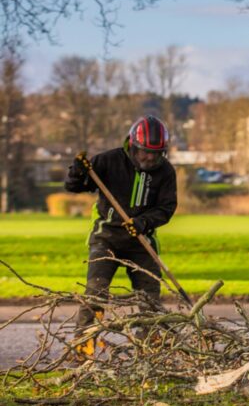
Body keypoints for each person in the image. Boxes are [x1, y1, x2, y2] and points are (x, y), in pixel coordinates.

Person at [65, 115, 178, 345]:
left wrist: (143, 222)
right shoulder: (108, 161)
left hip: (142, 242)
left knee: (149, 299)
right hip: (106, 240)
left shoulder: (166, 172)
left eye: (156, 153)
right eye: (145, 151)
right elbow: (74, 186)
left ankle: (149, 348)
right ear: (133, 146)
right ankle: (83, 346)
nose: (150, 157)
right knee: (95, 293)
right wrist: (77, 172)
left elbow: (166, 208)